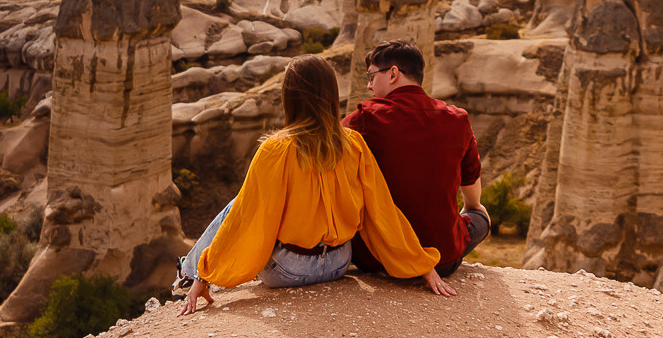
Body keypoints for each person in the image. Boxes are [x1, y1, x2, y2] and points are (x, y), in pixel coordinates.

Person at [177, 57, 456, 314]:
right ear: (331, 95)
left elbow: (246, 220)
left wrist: (208, 275)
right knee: (246, 203)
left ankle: (190, 274)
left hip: (288, 271)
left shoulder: (277, 149)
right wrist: (421, 264)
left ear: (290, 97)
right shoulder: (354, 144)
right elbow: (382, 211)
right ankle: (191, 271)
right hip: (337, 264)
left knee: (240, 204)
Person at [344, 41, 488, 279]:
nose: (369, 86)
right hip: (443, 257)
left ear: (392, 73)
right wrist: (471, 208)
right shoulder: (458, 119)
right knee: (480, 217)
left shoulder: (364, 118)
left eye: (371, 77)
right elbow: (471, 189)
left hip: (376, 257)